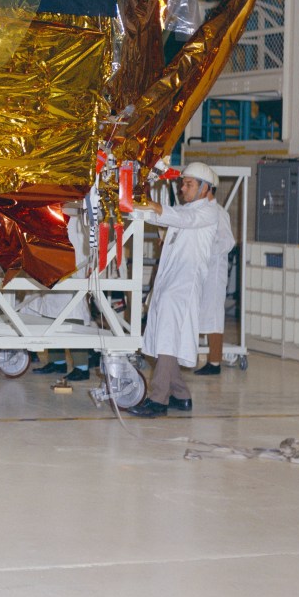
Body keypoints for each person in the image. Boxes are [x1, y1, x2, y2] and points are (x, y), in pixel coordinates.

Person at [129, 161, 224, 418]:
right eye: (183, 183)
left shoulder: (208, 212)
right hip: (170, 283)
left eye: (189, 184)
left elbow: (181, 218)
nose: (183, 188)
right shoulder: (188, 208)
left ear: (205, 188)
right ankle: (181, 395)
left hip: (184, 285)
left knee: (168, 339)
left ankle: (158, 399)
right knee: (165, 337)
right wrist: (131, 204)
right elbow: (164, 215)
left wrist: (155, 206)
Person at [195, 187, 236, 376]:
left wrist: (206, 250)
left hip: (214, 272)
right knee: (197, 314)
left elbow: (228, 242)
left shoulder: (219, 213)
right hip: (199, 271)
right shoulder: (198, 210)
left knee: (213, 317)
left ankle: (215, 362)